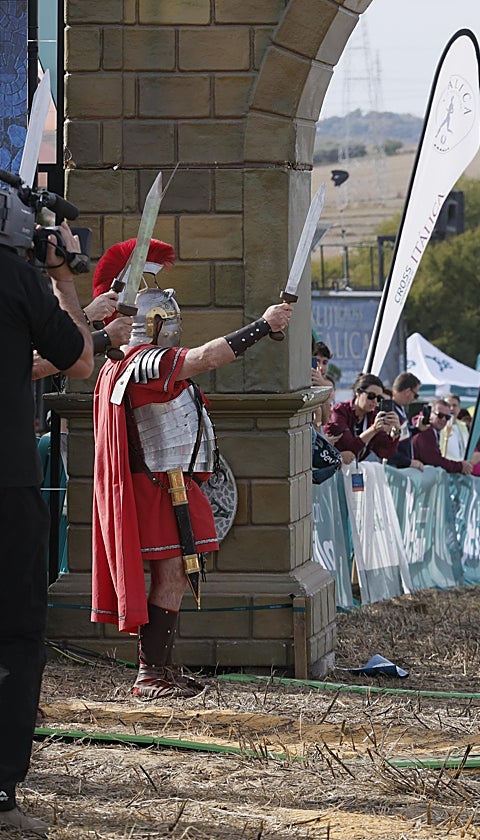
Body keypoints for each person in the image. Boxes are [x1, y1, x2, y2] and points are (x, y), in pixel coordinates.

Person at [90, 237, 293, 702]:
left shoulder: (122, 363)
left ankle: (159, 667)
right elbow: (206, 358)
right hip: (157, 487)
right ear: (156, 324)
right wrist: (262, 325)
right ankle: (150, 674)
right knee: (172, 574)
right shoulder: (144, 362)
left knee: (177, 573)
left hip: (166, 483)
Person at [1, 218, 93, 835]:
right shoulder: (16, 277)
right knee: (12, 633)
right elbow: (81, 361)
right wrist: (61, 273)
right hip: (5, 485)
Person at [325, 373, 402, 464]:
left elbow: (385, 452)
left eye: (379, 398)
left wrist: (395, 432)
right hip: (334, 469)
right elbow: (348, 448)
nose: (374, 401)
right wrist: (373, 429)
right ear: (358, 392)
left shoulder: (373, 416)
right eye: (371, 396)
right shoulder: (339, 411)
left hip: (355, 470)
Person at [410, 399, 473, 476]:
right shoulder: (426, 431)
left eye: (447, 417)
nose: (443, 419)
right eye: (440, 415)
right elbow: (433, 460)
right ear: (430, 413)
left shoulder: (433, 431)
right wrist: (460, 466)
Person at [385, 372, 421, 469]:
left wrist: (418, 429)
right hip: (393, 469)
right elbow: (387, 446)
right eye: (415, 395)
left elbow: (402, 436)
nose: (414, 399)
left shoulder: (400, 409)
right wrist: (408, 462)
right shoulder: (389, 411)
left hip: (400, 468)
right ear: (408, 392)